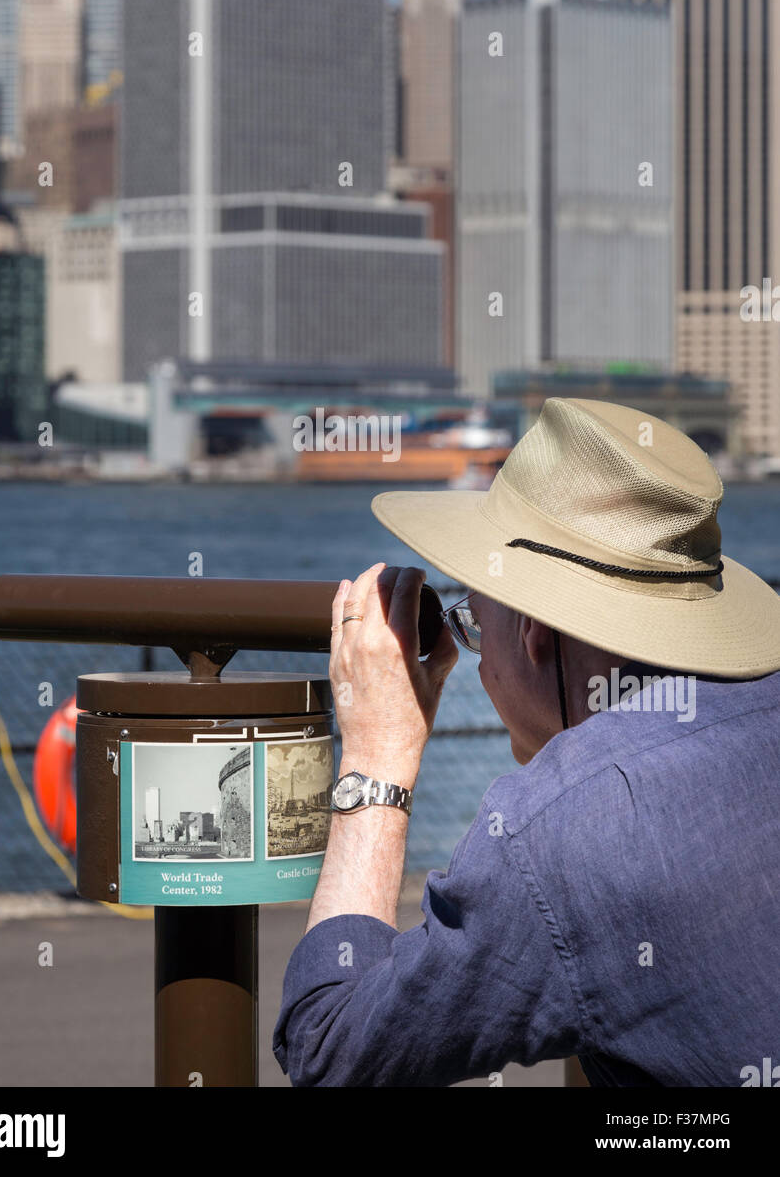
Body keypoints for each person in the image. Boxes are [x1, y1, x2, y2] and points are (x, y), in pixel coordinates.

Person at [273, 397, 780, 1087]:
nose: (476, 660)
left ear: (535, 633)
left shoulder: (571, 828)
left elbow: (329, 1050)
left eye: (474, 622)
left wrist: (376, 755)